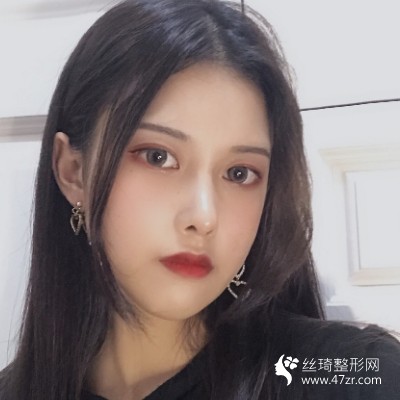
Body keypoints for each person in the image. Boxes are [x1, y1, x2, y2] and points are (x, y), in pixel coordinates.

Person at [0, 0, 399, 399]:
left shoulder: (353, 376)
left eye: (239, 173)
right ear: (73, 171)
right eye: (158, 157)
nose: (205, 216)